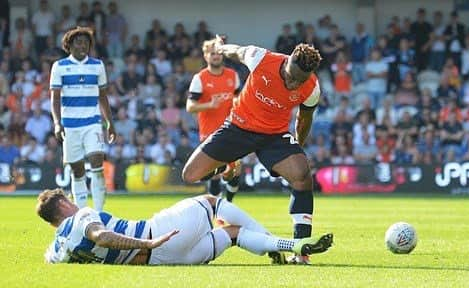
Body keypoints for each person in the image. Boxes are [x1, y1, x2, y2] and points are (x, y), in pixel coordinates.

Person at [182, 35, 324, 264]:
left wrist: (298, 146)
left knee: (302, 175)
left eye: (299, 81)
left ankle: (301, 253)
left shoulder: (312, 87)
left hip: (274, 136)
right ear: (287, 61)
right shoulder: (261, 58)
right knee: (190, 175)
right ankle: (228, 168)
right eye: (291, 77)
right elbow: (235, 50)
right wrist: (220, 47)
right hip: (238, 127)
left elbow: (304, 118)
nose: (293, 84)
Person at [37, 188, 333, 265]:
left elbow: (49, 258)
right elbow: (100, 236)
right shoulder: (81, 216)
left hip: (168, 261)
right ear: (63, 204)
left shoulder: (60, 248)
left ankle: (289, 247)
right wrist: (146, 243)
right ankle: (277, 241)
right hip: (158, 235)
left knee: (231, 235)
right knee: (212, 202)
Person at [50, 27, 116, 211]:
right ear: (69, 45)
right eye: (79, 42)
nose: (83, 46)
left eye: (86, 43)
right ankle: (81, 212)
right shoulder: (59, 67)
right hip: (70, 126)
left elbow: (103, 96)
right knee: (77, 170)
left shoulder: (97, 65)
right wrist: (57, 123)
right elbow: (54, 98)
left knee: (97, 161)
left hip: (92, 122)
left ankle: (100, 212)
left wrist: (109, 123)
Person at [187, 39, 242, 202]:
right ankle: (216, 211)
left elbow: (239, 98)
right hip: (209, 133)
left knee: (235, 171)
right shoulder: (200, 78)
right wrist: (209, 104)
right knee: (216, 174)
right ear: (205, 56)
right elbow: (190, 106)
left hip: (233, 130)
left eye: (218, 52)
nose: (216, 56)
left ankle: (229, 204)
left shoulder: (233, 75)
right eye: (212, 53)